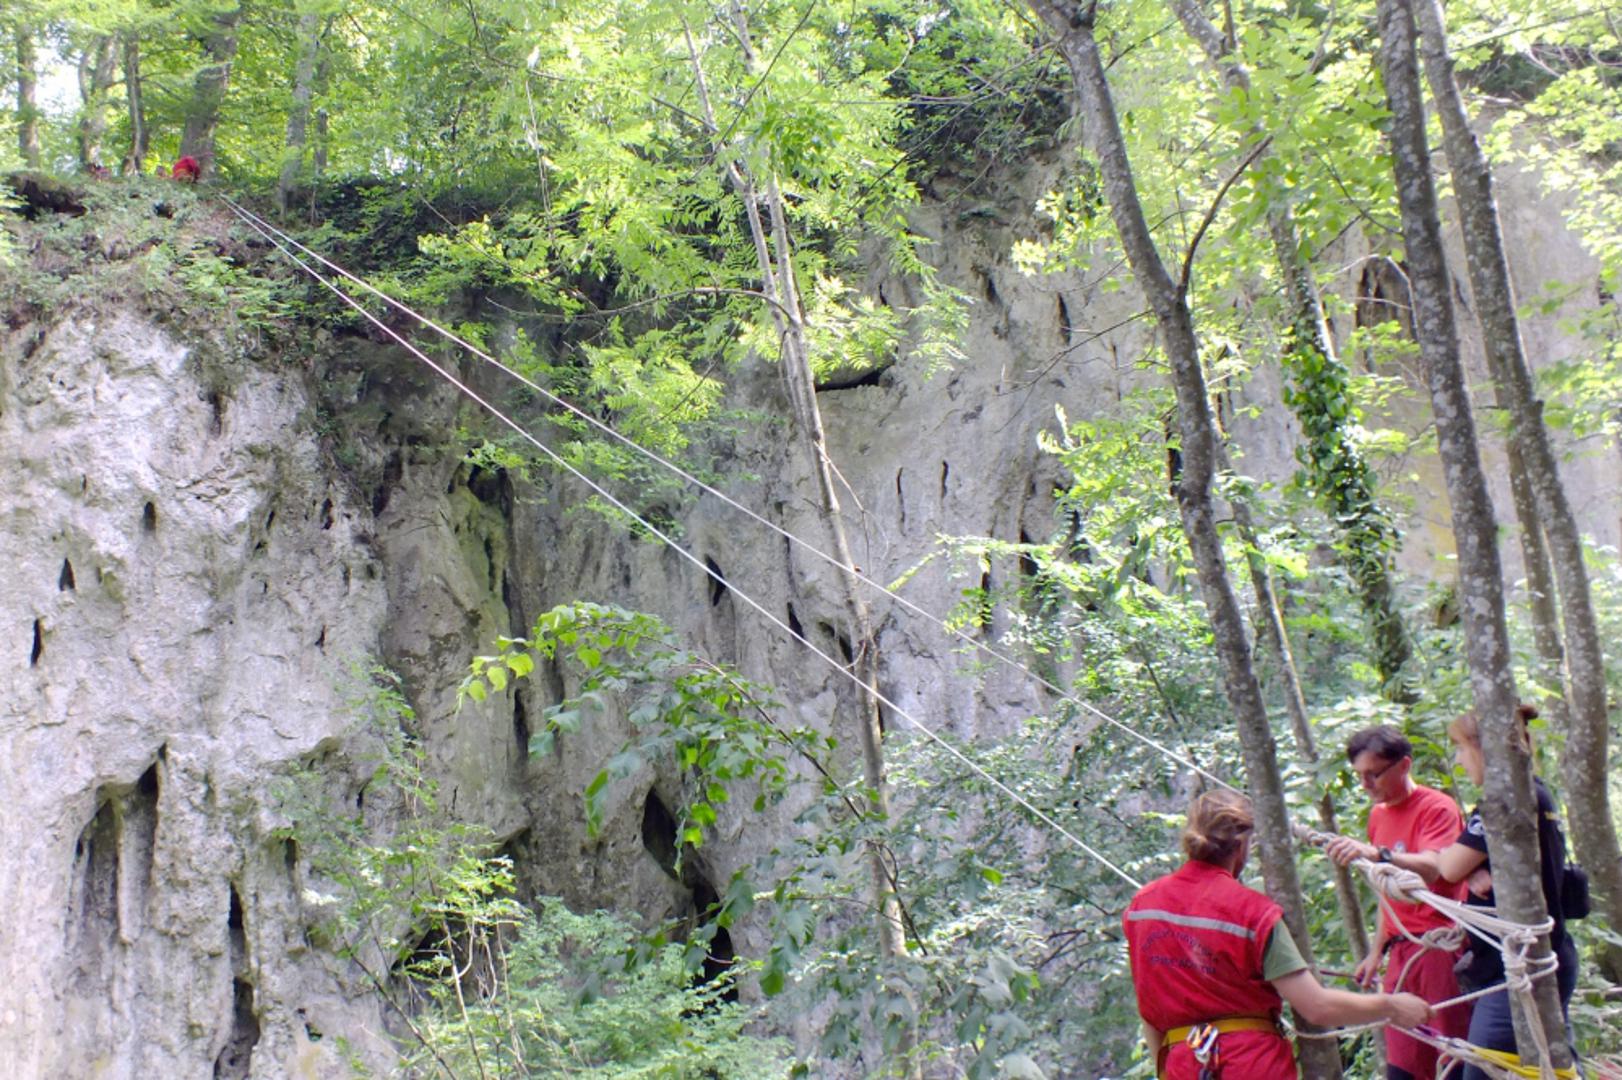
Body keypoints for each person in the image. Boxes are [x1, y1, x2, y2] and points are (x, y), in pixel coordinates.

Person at [1125, 789, 1431, 1079]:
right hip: (1251, 1063)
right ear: (1242, 846)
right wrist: (1392, 1006)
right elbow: (1316, 1006)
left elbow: (1148, 1012)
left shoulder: (1142, 906)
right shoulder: (1251, 912)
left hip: (1183, 1063)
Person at [1351, 707, 1579, 1080]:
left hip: (1517, 964)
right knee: (1553, 1065)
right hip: (1531, 956)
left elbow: (1447, 867)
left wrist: (1461, 864)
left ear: (1485, 749)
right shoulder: (1537, 792)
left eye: (1461, 749)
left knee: (1479, 1070)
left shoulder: (1501, 803)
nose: (1458, 760)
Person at [1323, 725, 1472, 1080]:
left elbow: (1435, 867)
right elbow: (1387, 896)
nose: (1365, 784)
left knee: (1451, 1056)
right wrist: (1376, 953)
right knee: (1403, 1064)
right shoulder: (1378, 816)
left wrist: (1378, 854)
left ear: (1404, 765)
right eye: (1359, 775)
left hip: (1438, 948)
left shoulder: (1437, 808)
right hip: (1401, 953)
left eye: (1373, 774)